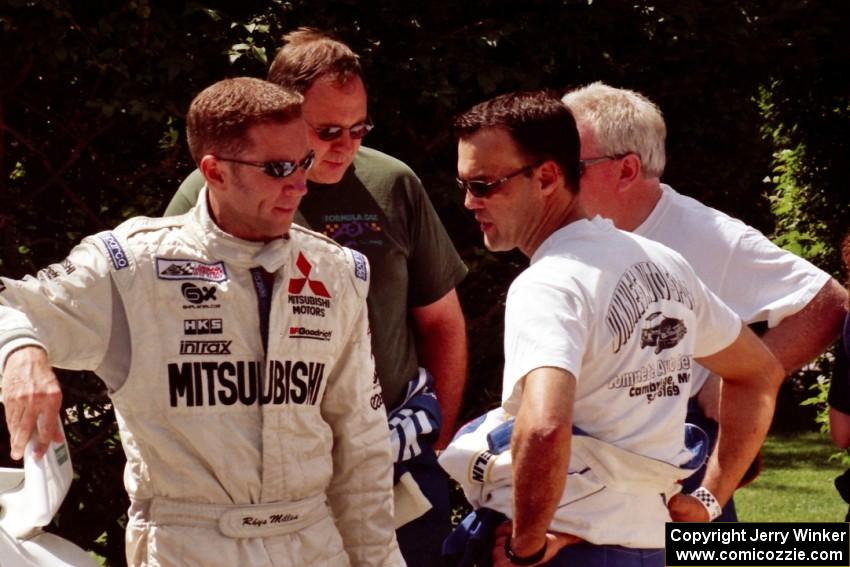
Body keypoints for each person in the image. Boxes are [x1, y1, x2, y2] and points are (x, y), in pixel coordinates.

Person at [0, 77, 403, 567]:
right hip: (190, 545)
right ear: (214, 172)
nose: (299, 183)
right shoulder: (130, 266)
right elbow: (11, 303)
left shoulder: (338, 271)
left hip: (313, 541)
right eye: (277, 168)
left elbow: (361, 447)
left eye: (304, 162)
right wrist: (19, 348)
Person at [164, 28, 468, 563]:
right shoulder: (214, 187)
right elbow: (165, 320)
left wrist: (436, 442)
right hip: (270, 468)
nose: (346, 145)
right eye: (327, 131)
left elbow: (441, 321)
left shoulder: (392, 182)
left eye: (359, 128)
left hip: (392, 449)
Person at [449, 90, 782, 567]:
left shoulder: (547, 283)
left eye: (483, 185)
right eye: (464, 183)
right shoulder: (665, 264)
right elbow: (760, 372)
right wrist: (709, 499)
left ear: (546, 177)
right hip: (647, 545)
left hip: (563, 550)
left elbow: (543, 426)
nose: (468, 202)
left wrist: (526, 547)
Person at [562, 82, 848, 521]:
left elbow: (828, 303)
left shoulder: (706, 234)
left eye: (571, 163)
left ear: (626, 170)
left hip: (678, 458)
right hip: (582, 450)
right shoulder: (562, 229)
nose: (551, 176)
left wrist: (745, 368)